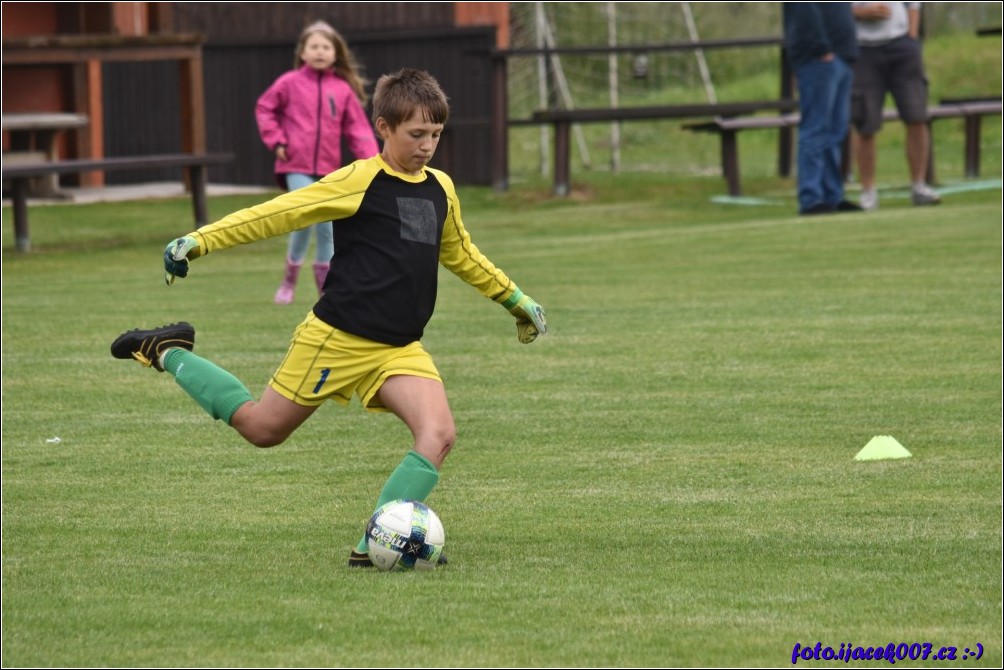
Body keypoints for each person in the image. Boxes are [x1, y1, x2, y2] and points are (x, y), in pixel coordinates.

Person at [110, 68, 548, 568]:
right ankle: (167, 351)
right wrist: (200, 240)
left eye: (435, 135)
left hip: (399, 347)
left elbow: (462, 254)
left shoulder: (440, 189)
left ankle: (375, 545)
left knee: (439, 434)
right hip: (336, 338)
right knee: (262, 429)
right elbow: (281, 212)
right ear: (383, 127)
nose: (427, 146)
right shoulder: (360, 179)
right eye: (416, 135)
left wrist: (515, 298)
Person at [256, 20, 380, 304]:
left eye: (326, 47)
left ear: (336, 54)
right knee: (304, 214)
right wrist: (277, 141)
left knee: (328, 227)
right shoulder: (288, 83)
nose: (320, 51)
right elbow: (265, 108)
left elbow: (358, 130)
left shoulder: (342, 90)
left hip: (328, 169)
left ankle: (326, 288)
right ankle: (289, 280)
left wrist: (373, 163)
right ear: (303, 52)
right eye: (314, 46)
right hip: (295, 165)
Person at [851, 2, 941, 210]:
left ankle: (919, 186)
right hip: (863, 50)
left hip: (902, 47)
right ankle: (868, 192)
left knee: (917, 116)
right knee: (865, 123)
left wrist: (911, 36)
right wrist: (860, 13)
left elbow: (914, 4)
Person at [783, 2, 862, 215]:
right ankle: (811, 197)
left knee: (835, 132)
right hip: (818, 59)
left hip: (841, 58)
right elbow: (803, 10)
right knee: (816, 129)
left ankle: (832, 195)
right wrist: (821, 48)